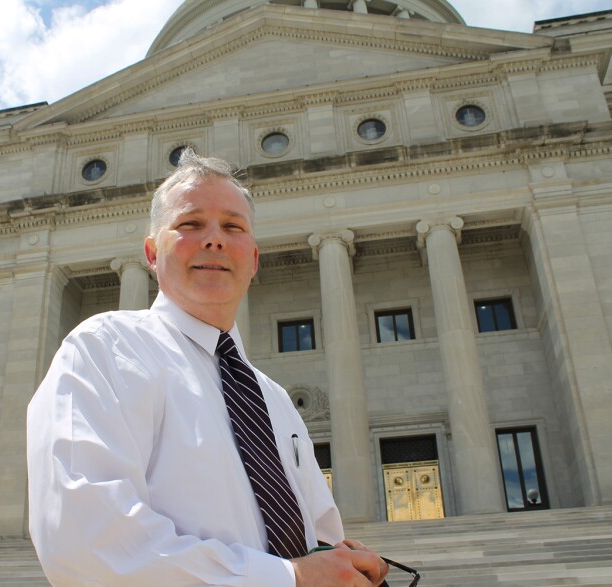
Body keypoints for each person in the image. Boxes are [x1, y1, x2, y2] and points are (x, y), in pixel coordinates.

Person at [27, 150, 389, 587]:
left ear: (253, 260)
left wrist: (343, 565)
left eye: (232, 227)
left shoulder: (273, 399)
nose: (214, 239)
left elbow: (320, 536)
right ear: (151, 253)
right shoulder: (104, 351)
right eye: (190, 224)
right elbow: (84, 541)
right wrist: (287, 577)